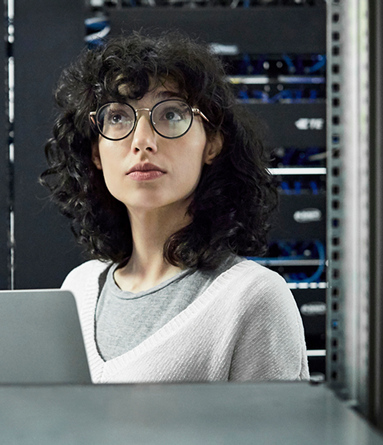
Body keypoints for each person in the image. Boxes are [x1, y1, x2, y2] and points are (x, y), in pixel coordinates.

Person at [41, 32, 309, 384]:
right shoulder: (78, 288)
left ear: (211, 143)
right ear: (96, 153)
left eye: (170, 114)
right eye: (118, 117)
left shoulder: (253, 298)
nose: (142, 142)